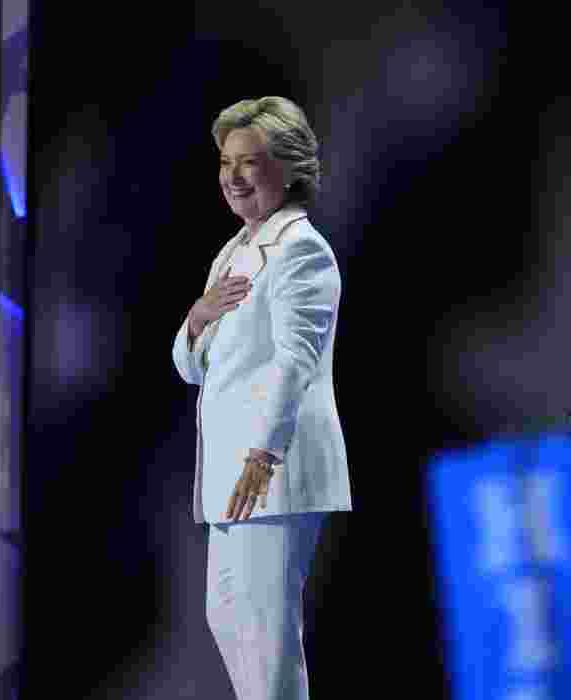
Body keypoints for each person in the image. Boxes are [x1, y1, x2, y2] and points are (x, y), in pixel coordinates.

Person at [171, 96, 352, 699]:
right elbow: (195, 369)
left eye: (250, 162)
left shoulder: (300, 247)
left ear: (289, 167)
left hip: (271, 472)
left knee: (267, 646)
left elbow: (293, 360)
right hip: (230, 475)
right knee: (231, 625)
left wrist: (262, 455)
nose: (233, 176)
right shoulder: (235, 249)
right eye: (226, 162)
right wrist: (196, 320)